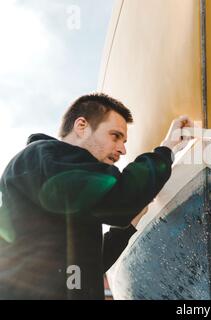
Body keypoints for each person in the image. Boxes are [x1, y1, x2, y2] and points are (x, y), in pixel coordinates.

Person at [0, 93, 192, 299]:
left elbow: (89, 265)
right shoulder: (43, 155)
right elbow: (120, 198)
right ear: (81, 126)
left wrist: (127, 227)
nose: (122, 149)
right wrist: (165, 150)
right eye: (115, 136)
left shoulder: (65, 189)